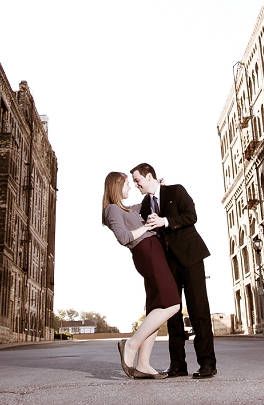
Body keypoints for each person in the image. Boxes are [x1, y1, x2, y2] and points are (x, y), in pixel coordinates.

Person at [132, 162, 217, 379]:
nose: (136, 185)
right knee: (173, 313)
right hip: (167, 264)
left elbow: (191, 216)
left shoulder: (176, 190)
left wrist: (165, 221)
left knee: (199, 311)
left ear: (149, 176)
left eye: (137, 180)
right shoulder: (144, 205)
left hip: (191, 257)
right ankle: (178, 365)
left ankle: (207, 363)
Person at [102, 171, 181, 379]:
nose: (130, 187)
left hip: (152, 250)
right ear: (116, 186)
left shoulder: (126, 209)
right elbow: (124, 237)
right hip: (146, 251)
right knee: (173, 304)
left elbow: (147, 203)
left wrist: (158, 186)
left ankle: (144, 364)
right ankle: (131, 344)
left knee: (156, 307)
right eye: (127, 184)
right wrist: (146, 227)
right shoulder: (111, 210)